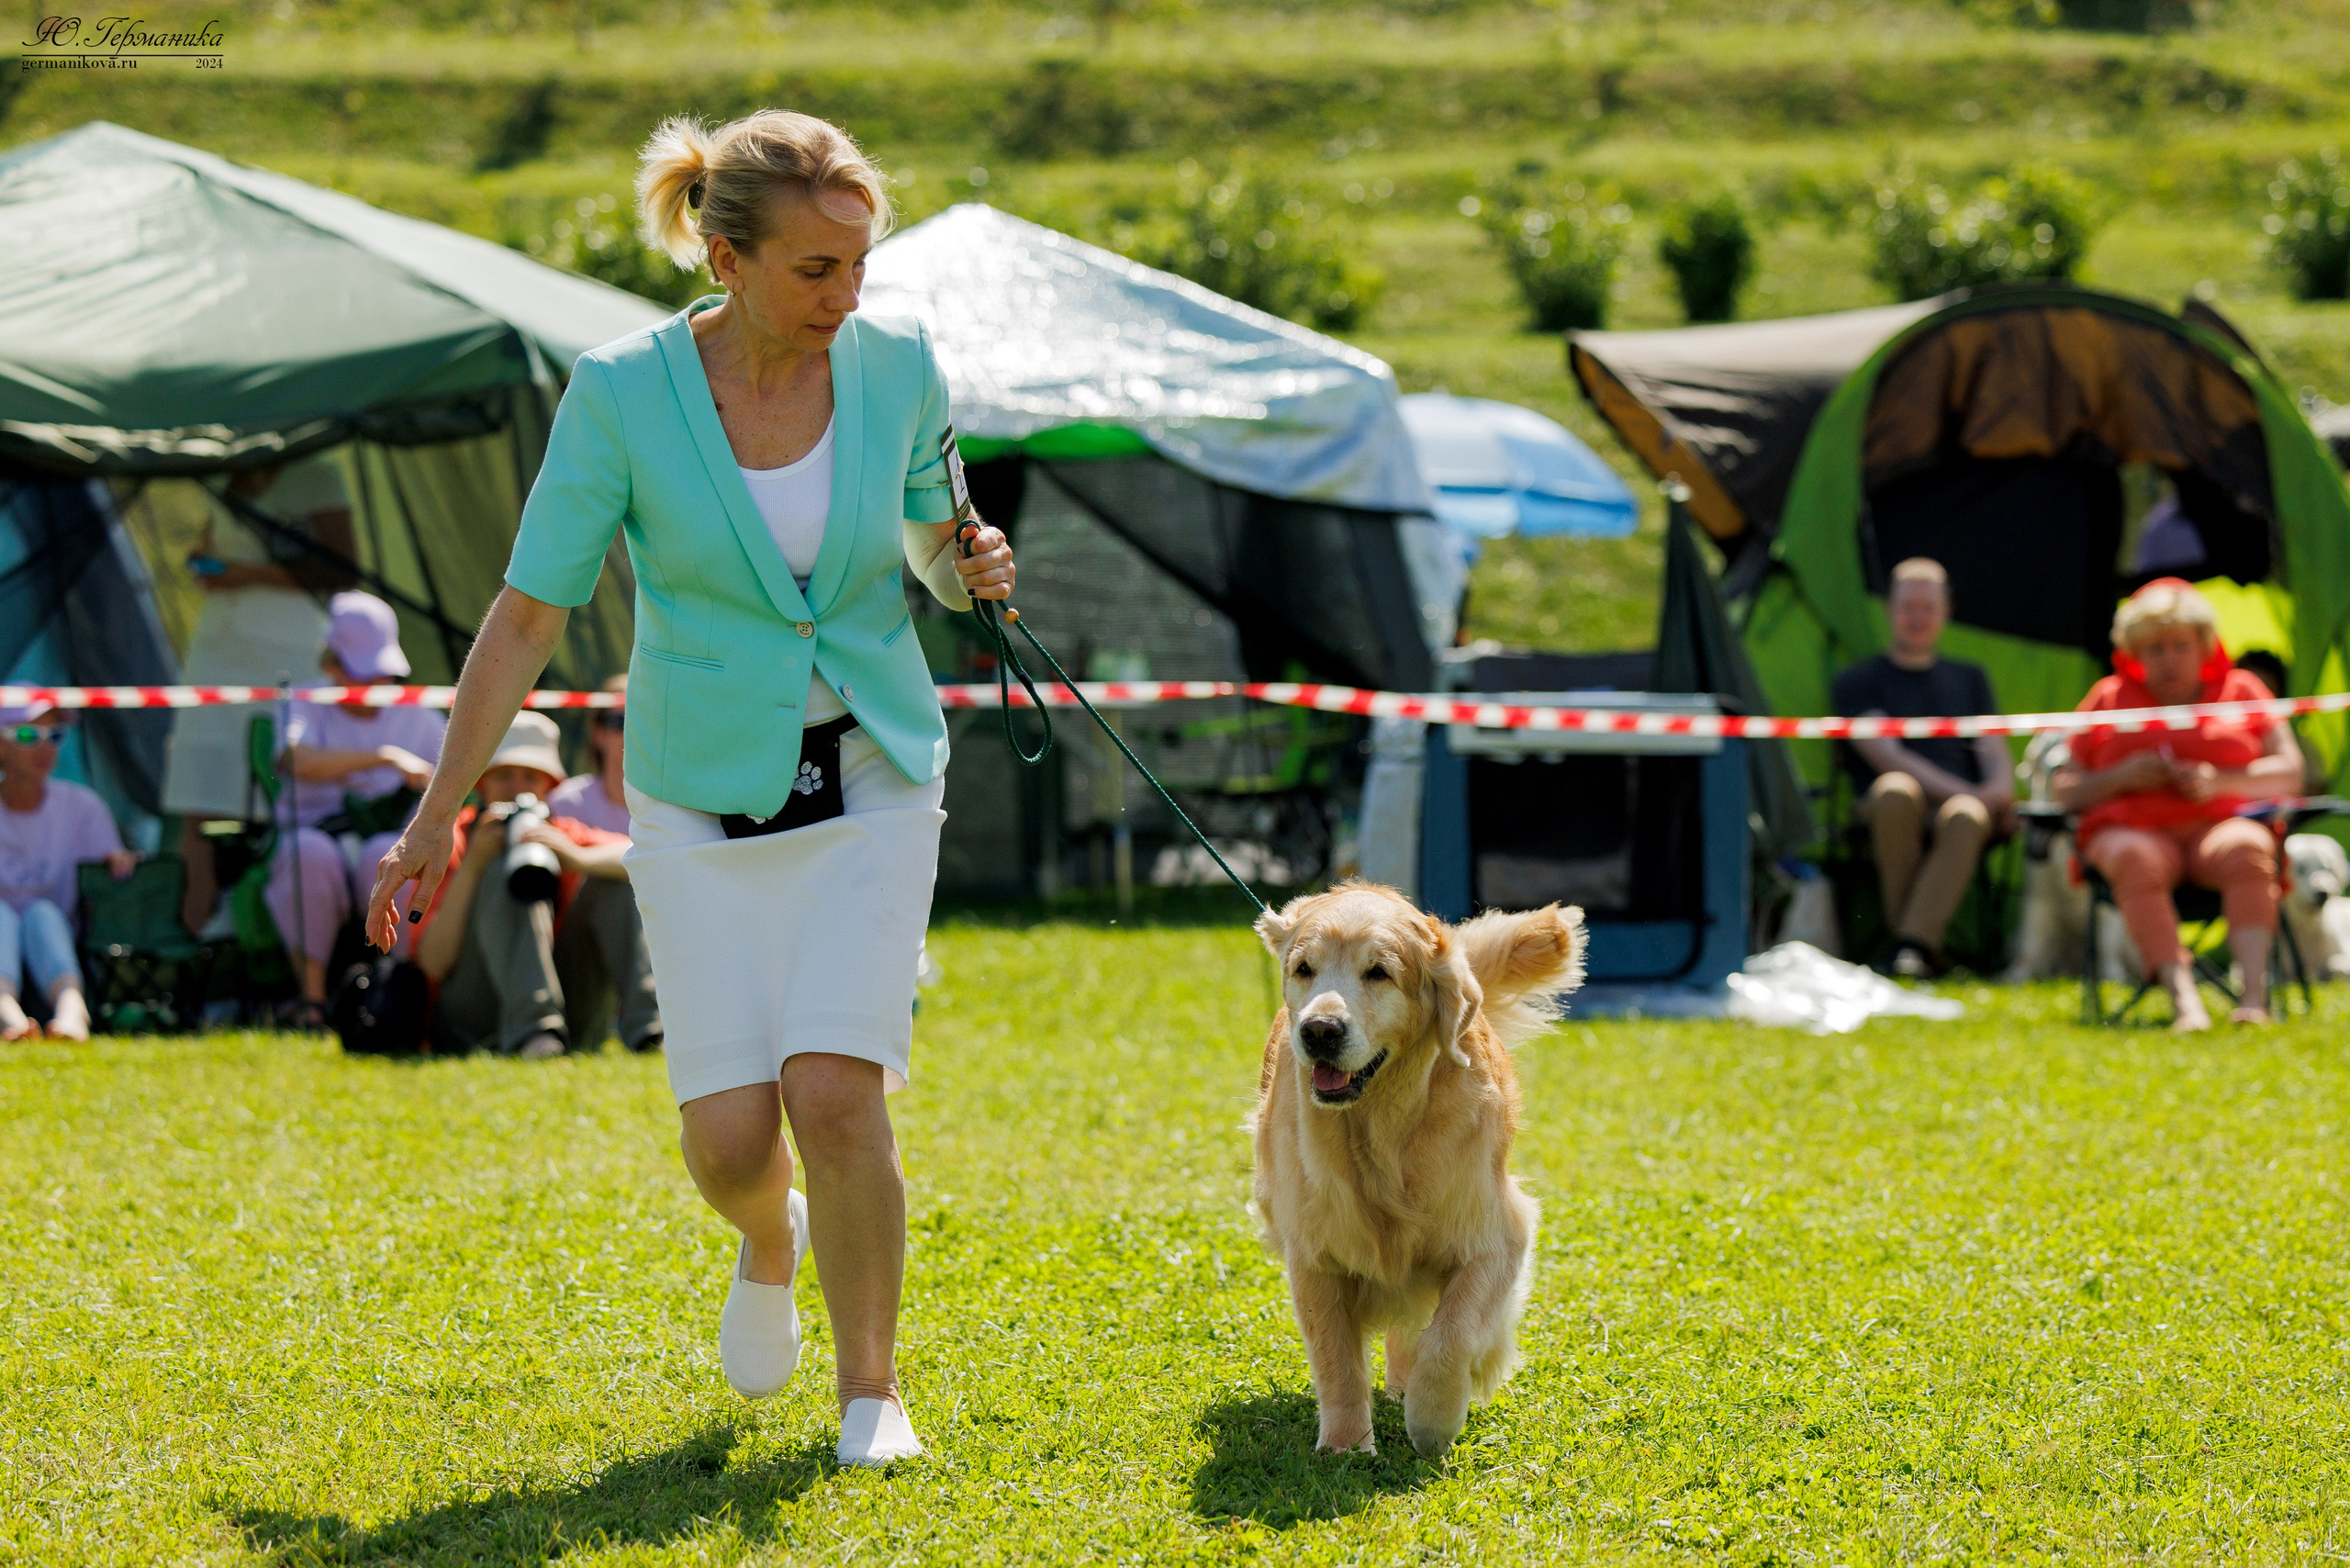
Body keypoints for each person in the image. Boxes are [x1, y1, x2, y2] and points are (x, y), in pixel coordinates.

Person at [364, 109, 1017, 1467]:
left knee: (836, 1092)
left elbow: (930, 547)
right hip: (694, 794)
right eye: (815, 270)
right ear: (724, 257)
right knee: (731, 1143)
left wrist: (973, 566)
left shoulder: (897, 363)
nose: (848, 297)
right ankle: (768, 1236)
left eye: (859, 266)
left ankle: (870, 1395)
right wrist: (437, 814)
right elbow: (529, 616)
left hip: (874, 771)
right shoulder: (619, 391)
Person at [2054, 577, 2305, 1030]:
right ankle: (2183, 999)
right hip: (2134, 829)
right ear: (2135, 653)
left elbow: (2290, 770)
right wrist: (2120, 777)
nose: (2169, 658)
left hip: (2220, 822)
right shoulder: (2107, 698)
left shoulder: (2244, 689)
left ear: (2204, 646)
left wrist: (2219, 781)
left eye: (2179, 646)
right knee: (2134, 857)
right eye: (2155, 649)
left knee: (2248, 848)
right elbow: (2064, 787)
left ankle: (2252, 997)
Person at [162, 456, 359, 934]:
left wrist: (248, 575)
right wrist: (203, 564)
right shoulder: (221, 465)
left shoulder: (320, 473)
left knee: (280, 792)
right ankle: (194, 939)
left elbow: (341, 568)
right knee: (199, 791)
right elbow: (211, 547)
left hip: (287, 653)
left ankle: (267, 931)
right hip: (216, 648)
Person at [410, 711, 659, 1059]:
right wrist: (473, 868)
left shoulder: (559, 831)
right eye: (504, 777)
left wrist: (577, 858)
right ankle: (535, 1032)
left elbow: (642, 858)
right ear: (480, 783)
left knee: (614, 878)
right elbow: (432, 964)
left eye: (531, 777)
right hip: (473, 1016)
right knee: (503, 871)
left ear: (549, 787)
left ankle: (649, 1032)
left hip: (571, 1014)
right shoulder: (452, 840)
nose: (518, 790)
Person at [1830, 557, 2015, 977]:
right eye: (1908, 606)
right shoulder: (1857, 681)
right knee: (1897, 789)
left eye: (1927, 607)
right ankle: (1917, 945)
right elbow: (1887, 755)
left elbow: (1993, 747)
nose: (1918, 617)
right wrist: (1970, 793)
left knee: (1967, 816)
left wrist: (1999, 792)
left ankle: (1909, 946)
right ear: (1889, 611)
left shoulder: (1970, 679)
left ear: (1945, 612)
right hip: (1890, 805)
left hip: (1960, 809)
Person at [270, 592, 447, 1027]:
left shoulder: (421, 717)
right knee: (308, 854)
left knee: (389, 856)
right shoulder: (303, 702)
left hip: (389, 839)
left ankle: (394, 996)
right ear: (332, 665)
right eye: (363, 673)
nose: (375, 685)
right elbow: (295, 759)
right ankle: (312, 1002)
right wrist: (385, 758)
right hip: (317, 835)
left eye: (382, 674)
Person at [0, 706, 137, 1040]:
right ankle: (7, 1016)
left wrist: (119, 864)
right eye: (28, 735)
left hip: (62, 932)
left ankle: (72, 1011)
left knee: (43, 914)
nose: (45, 747)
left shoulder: (84, 806)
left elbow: (112, 873)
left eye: (55, 736)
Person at [546, 676, 632, 835]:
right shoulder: (568, 803)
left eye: (645, 723)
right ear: (598, 733)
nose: (634, 733)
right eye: (623, 721)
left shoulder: (674, 807)